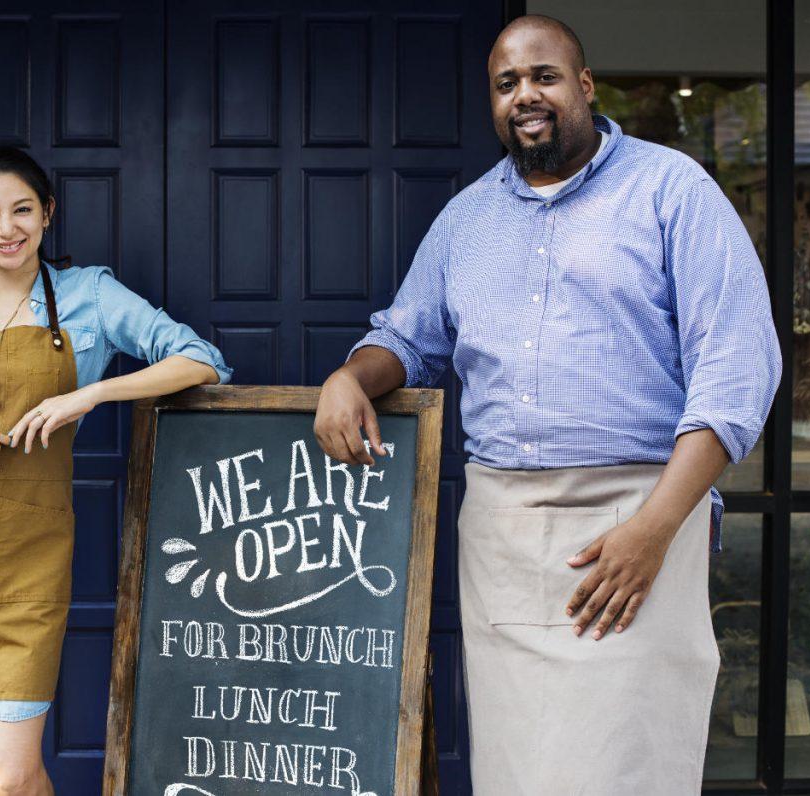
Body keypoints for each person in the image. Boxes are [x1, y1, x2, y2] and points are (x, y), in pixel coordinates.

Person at [313, 14, 781, 795]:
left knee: (630, 765)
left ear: (585, 87)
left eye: (544, 76)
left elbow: (735, 374)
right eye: (506, 84)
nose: (525, 95)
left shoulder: (672, 190)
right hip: (502, 534)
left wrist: (656, 528)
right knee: (517, 768)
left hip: (638, 518)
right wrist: (351, 379)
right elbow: (408, 337)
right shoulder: (465, 220)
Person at [0, 147, 231, 795]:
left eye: (21, 211)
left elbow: (200, 362)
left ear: (47, 215)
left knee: (10, 774)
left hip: (28, 560)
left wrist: (87, 395)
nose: (5, 228)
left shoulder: (88, 297)